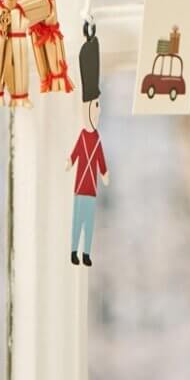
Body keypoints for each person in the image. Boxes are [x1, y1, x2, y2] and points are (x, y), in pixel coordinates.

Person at [68, 21, 109, 266]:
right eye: (95, 106)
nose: (98, 110)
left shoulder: (96, 139)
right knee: (78, 221)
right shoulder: (83, 136)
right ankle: (75, 250)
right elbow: (75, 153)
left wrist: (104, 173)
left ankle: (85, 252)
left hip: (91, 189)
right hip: (80, 187)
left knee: (89, 222)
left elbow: (101, 159)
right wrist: (69, 161)